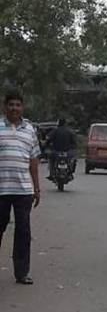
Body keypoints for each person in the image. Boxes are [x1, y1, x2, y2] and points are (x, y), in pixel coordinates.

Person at [0, 90, 41, 285]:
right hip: (1, 190)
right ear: (5, 107)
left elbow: (33, 160)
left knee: (23, 232)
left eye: (18, 105)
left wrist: (37, 188)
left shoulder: (30, 130)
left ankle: (22, 273)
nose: (14, 108)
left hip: (24, 190)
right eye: (11, 104)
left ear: (22, 107)